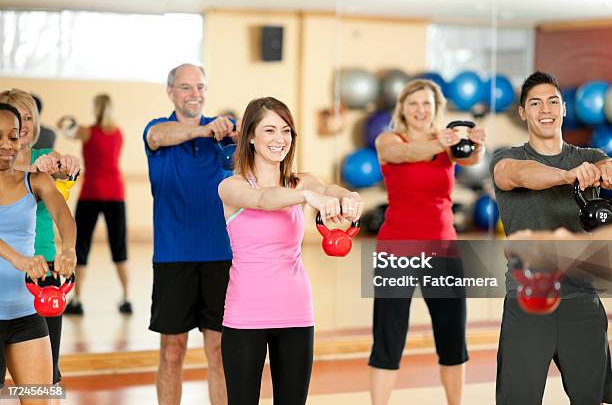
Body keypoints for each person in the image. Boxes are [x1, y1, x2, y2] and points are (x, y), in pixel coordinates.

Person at [217, 96, 363, 404]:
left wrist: (348, 196)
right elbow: (263, 200)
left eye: (286, 131)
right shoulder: (232, 186)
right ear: (251, 138)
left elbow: (330, 190)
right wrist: (306, 197)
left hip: (296, 310)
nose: (279, 139)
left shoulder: (303, 182)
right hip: (246, 314)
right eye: (269, 131)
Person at [490, 71, 612, 404]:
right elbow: (516, 176)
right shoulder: (507, 159)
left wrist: (606, 170)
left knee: (593, 398)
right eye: (536, 102)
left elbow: (608, 165)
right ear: (522, 112)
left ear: (564, 109)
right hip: (528, 300)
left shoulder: (590, 157)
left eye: (553, 101)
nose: (546, 109)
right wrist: (566, 176)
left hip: (582, 297)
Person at [370, 79, 487, 405]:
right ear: (402, 108)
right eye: (414, 103)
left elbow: (471, 161)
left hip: (443, 248)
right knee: (388, 338)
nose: (420, 110)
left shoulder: (447, 143)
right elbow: (405, 153)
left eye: (427, 104)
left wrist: (476, 143)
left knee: (452, 336)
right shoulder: (389, 139)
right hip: (397, 249)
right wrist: (444, 142)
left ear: (437, 109)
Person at [144, 63, 237, 405]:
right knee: (172, 350)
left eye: (199, 87)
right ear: (170, 92)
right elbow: (159, 138)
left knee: (219, 349)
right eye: (186, 87)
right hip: (173, 256)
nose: (194, 94)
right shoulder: (157, 128)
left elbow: (258, 143)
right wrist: (202, 131)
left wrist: (237, 134)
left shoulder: (224, 132)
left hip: (220, 254)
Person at [0, 89, 80, 388]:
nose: (10, 142)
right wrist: (18, 259)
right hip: (18, 271)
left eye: (14, 133)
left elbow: (63, 214)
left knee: (43, 389)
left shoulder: (40, 171)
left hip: (30, 297)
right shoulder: (29, 168)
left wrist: (69, 249)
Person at [59, 94, 131, 316]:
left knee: (81, 246)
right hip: (115, 193)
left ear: (95, 109)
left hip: (91, 193)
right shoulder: (118, 133)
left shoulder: (87, 131)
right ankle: (127, 299)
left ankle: (77, 299)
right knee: (119, 247)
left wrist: (67, 120)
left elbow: (63, 127)